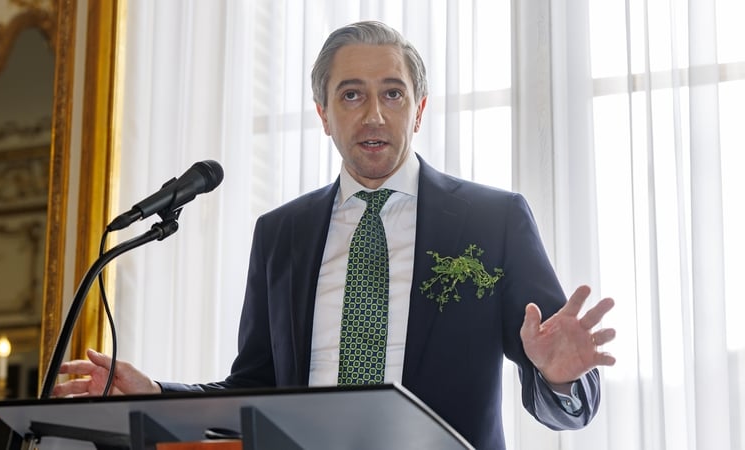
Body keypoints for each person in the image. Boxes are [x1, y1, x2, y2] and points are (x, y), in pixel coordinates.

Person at [54, 20, 616, 449]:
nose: (374, 114)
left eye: (392, 93)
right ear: (323, 113)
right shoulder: (280, 234)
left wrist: (560, 378)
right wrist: (157, 395)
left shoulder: (493, 220)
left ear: (418, 110)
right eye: (351, 94)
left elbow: (568, 390)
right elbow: (254, 388)